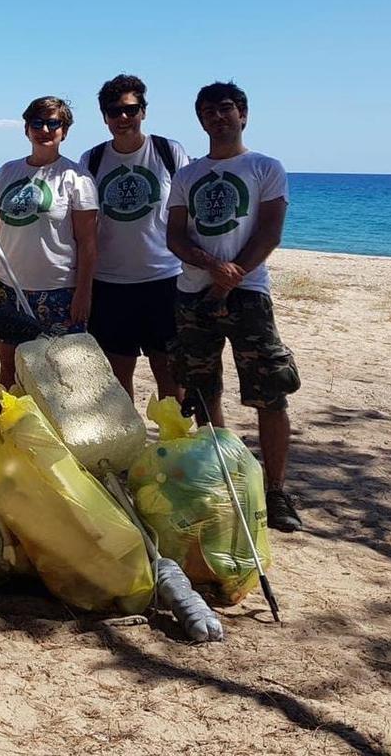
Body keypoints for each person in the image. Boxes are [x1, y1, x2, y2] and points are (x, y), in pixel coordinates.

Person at [166, 81, 302, 532]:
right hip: (193, 296)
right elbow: (175, 235)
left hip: (248, 295)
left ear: (242, 114)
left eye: (225, 108)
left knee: (270, 393)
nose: (217, 117)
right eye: (208, 111)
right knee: (202, 392)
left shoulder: (265, 167)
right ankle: (222, 479)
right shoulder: (187, 175)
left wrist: (232, 276)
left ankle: (276, 491)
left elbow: (270, 231)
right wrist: (212, 267)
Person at [80, 75, 191, 400]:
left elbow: (188, 216)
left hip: (165, 280)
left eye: (130, 109)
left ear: (143, 111)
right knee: (116, 381)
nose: (123, 117)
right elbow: (84, 228)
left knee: (170, 376)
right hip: (110, 284)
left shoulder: (169, 151)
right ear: (104, 117)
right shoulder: (92, 160)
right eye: (114, 111)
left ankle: (172, 434)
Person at [0, 96, 99, 388]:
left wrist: (83, 293)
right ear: (26, 129)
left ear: (64, 131)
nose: (45, 129)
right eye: (37, 123)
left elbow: (87, 242)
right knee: (11, 369)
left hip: (59, 292)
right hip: (9, 289)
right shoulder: (7, 172)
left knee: (60, 377)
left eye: (53, 123)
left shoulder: (76, 177)